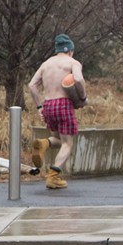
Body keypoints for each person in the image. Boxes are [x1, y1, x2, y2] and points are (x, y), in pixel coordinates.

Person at [28, 33, 85, 190]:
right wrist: (83, 96)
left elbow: (32, 85)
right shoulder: (73, 62)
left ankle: (44, 143)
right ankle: (53, 177)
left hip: (48, 105)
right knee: (68, 143)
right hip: (64, 104)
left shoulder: (46, 64)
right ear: (70, 50)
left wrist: (39, 107)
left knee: (58, 139)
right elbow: (79, 80)